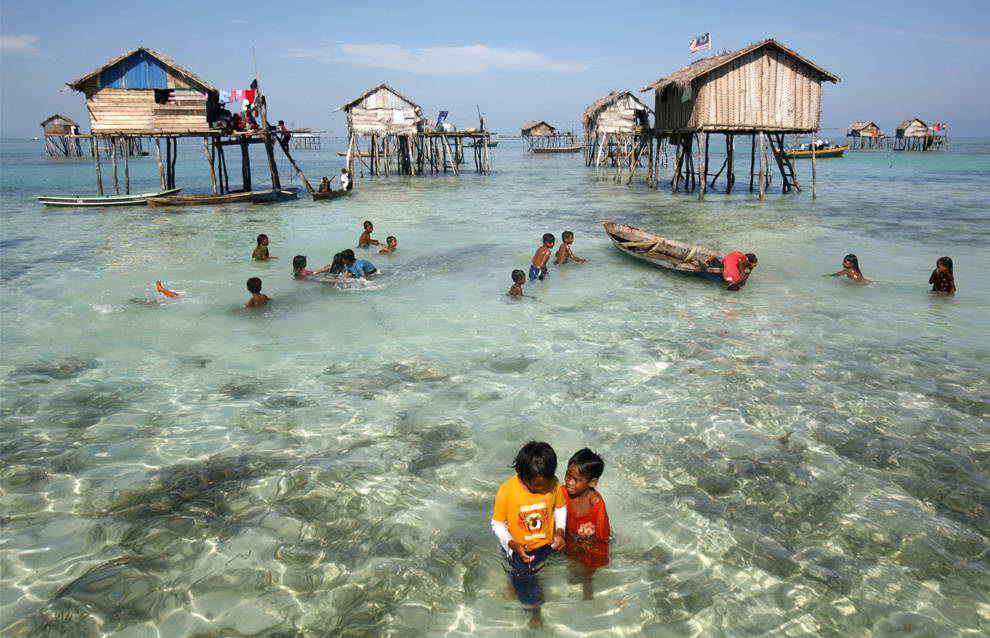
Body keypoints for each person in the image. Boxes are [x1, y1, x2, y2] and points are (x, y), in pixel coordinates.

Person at [491, 441, 566, 628]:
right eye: (537, 486)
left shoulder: (553, 483)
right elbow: (497, 524)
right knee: (524, 580)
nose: (543, 489)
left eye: (547, 483)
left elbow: (560, 507)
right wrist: (512, 544)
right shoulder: (507, 491)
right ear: (522, 476)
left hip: (547, 543)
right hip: (519, 549)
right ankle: (535, 611)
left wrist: (560, 530)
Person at [562, 448, 610, 599]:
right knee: (570, 568)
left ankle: (587, 585)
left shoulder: (596, 505)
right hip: (568, 538)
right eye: (568, 475)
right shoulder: (561, 493)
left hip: (587, 542)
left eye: (576, 479)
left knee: (588, 568)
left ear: (592, 482)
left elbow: (602, 538)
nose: (569, 482)